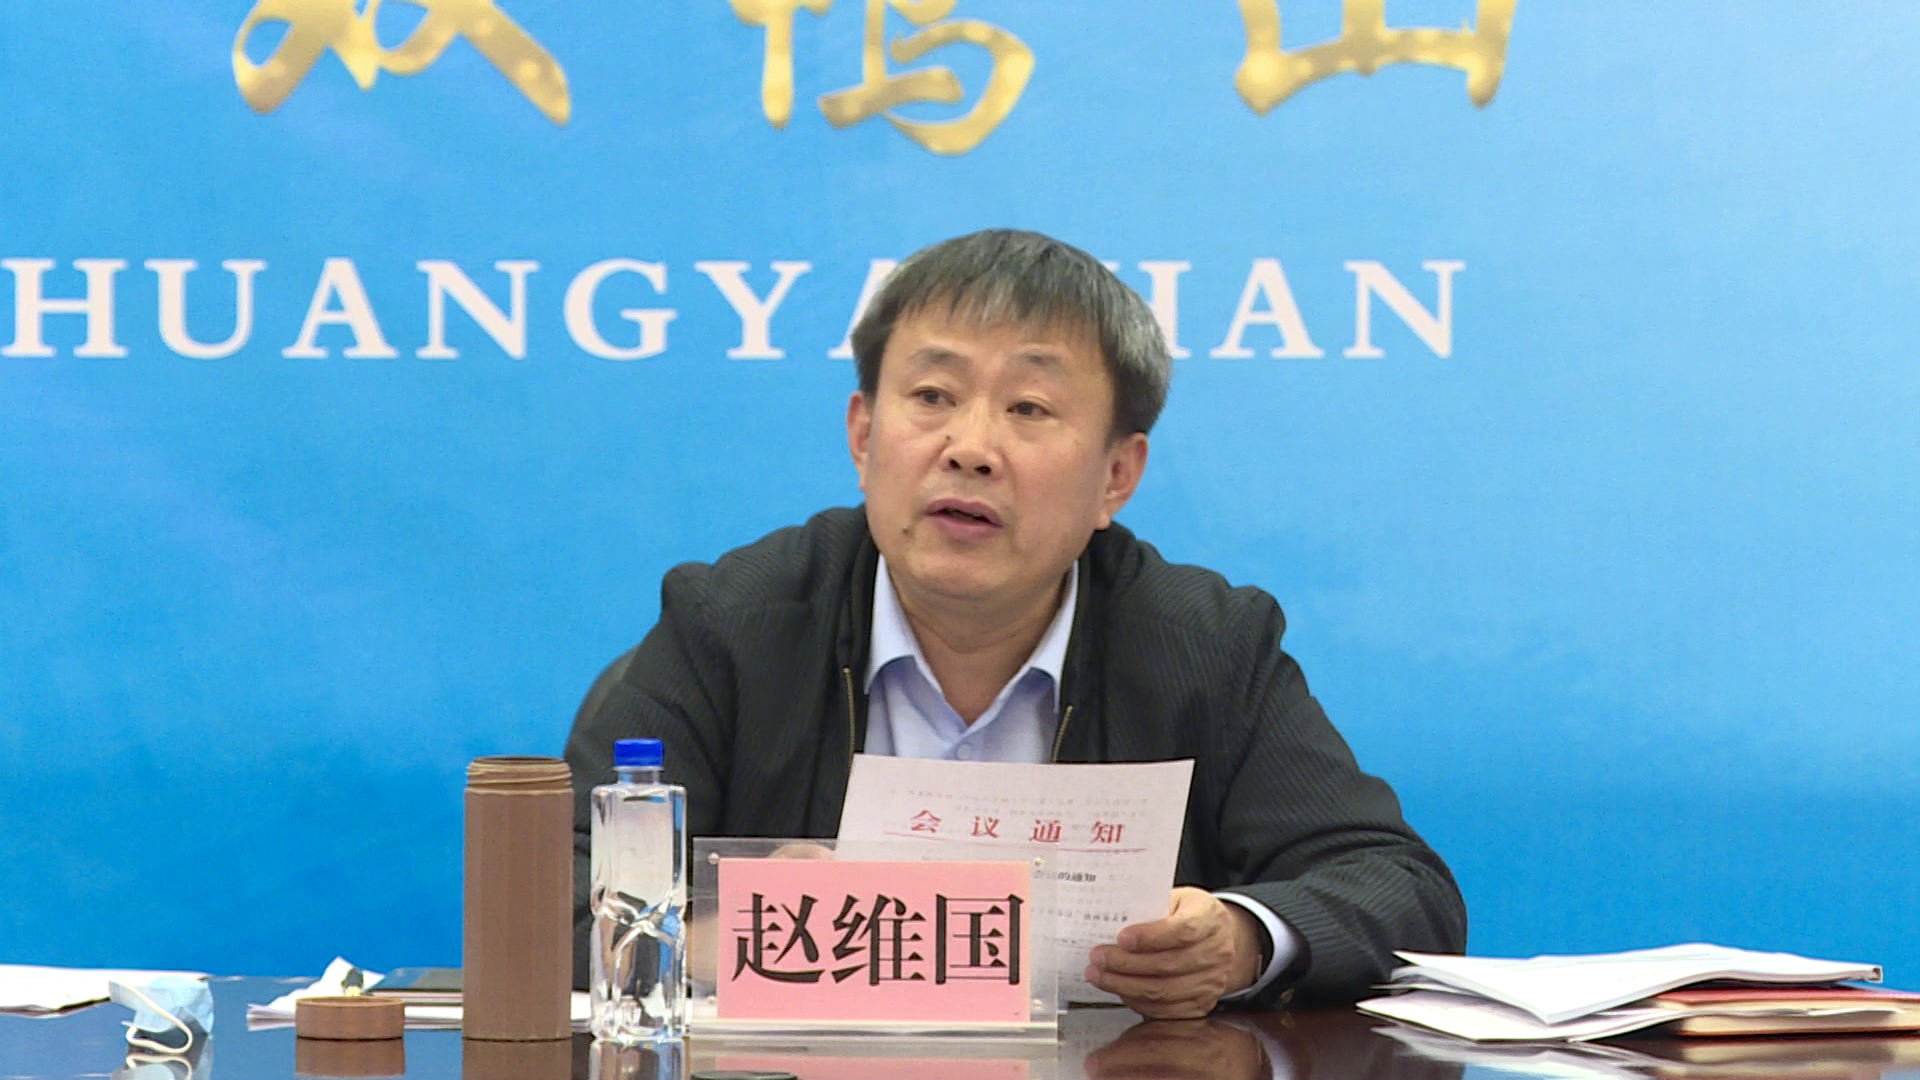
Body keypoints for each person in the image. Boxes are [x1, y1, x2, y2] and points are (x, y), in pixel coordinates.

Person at [564, 228, 1466, 1017]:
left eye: (1028, 409)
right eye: (931, 397)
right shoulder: (732, 626)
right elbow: (544, 904)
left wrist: (1239, 938)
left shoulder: (1206, 646)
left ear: (1117, 476)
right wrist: (728, 934)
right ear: (863, 435)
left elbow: (1401, 889)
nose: (970, 448)